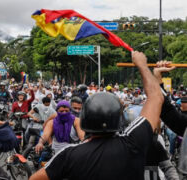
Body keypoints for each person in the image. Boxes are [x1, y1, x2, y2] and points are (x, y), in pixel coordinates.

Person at [30, 51, 164, 180]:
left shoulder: (69, 155)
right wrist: (142, 65)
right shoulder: (134, 142)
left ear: (85, 119)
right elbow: (156, 96)